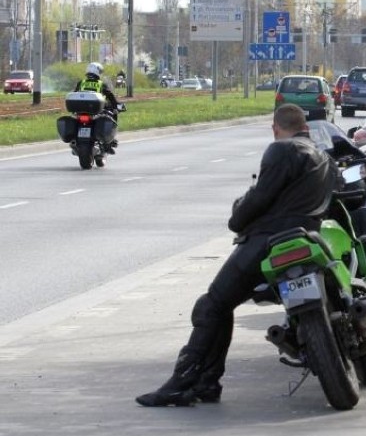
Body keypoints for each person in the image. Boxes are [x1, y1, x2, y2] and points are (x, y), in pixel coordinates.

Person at [136, 104, 341, 407]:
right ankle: (207, 382)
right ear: (306, 127)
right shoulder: (326, 159)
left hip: (267, 241)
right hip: (308, 238)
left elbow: (260, 198)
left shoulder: (282, 149)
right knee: (220, 306)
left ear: (275, 128)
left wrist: (237, 217)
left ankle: (184, 382)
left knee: (212, 305)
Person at [75, 62, 121, 154]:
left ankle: (75, 140)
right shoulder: (101, 84)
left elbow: (75, 94)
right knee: (113, 114)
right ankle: (109, 143)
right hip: (96, 110)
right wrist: (116, 106)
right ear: (98, 72)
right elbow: (110, 96)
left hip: (81, 110)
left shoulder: (81, 83)